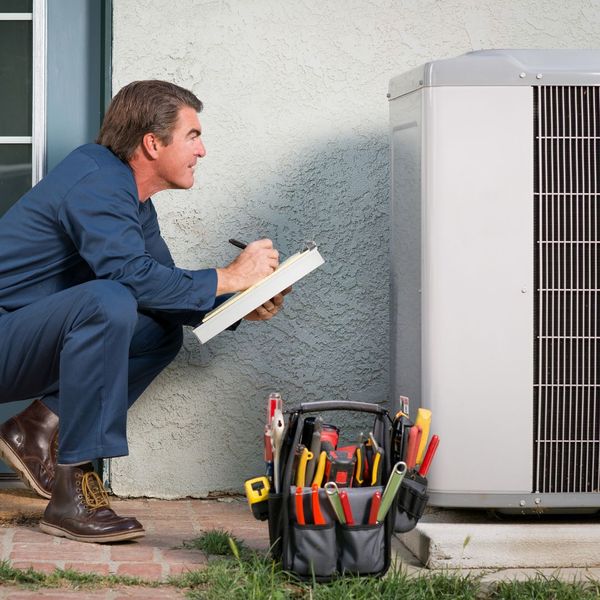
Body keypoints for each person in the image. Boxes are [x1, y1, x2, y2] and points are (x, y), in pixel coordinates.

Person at [0, 80, 289, 544]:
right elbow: (129, 278)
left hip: (19, 336)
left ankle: (35, 429)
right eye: (193, 135)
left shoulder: (134, 201)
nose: (203, 150)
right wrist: (230, 275)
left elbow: (162, 291)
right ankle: (73, 492)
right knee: (110, 298)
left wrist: (240, 304)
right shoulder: (95, 176)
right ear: (153, 143)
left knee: (158, 330)